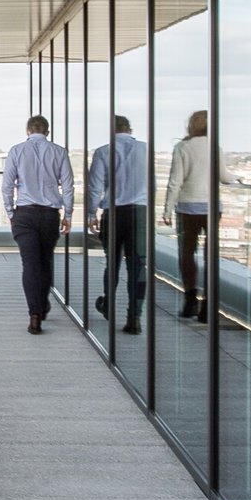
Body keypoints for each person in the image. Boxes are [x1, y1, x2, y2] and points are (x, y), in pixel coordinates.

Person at [2, 114, 72, 334]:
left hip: (25, 214)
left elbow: (7, 186)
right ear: (48, 132)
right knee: (46, 260)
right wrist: (68, 214)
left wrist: (10, 213)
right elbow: (68, 186)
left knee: (30, 264)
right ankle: (42, 304)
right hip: (50, 214)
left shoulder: (16, 151)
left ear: (28, 131)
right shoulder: (59, 152)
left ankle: (35, 314)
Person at [88, 114, 149, 335]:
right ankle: (135, 316)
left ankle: (108, 306)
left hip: (114, 214)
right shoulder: (145, 150)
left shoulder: (103, 151)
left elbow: (95, 186)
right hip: (140, 213)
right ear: (129, 129)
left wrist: (90, 214)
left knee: (111, 263)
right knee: (137, 266)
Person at [163, 108, 214, 322]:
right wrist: (237, 178)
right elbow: (224, 176)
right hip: (211, 207)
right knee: (210, 256)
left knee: (187, 254)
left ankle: (190, 300)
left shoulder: (182, 147)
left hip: (187, 207)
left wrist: (167, 209)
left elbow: (176, 181)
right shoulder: (215, 146)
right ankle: (208, 307)